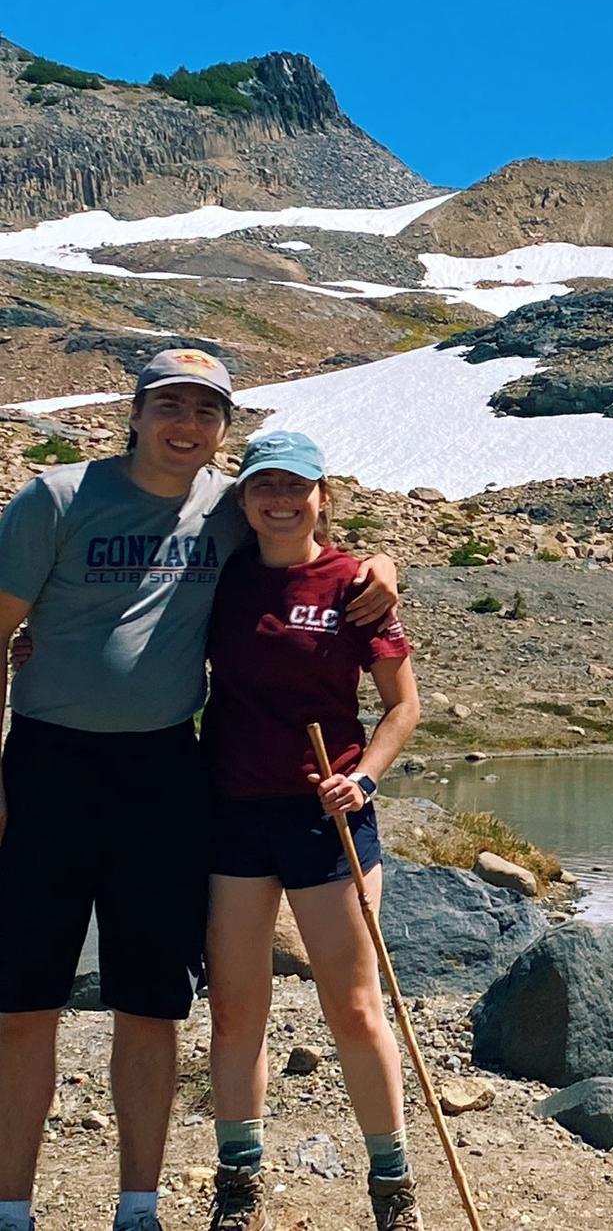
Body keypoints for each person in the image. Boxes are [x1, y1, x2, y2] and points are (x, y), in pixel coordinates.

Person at [0, 350, 398, 1231]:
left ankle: (138, 1207)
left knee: (149, 999)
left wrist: (384, 564)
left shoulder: (224, 505)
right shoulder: (55, 498)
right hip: (48, 768)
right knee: (25, 1000)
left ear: (223, 430)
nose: (187, 425)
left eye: (207, 412)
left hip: (166, 774)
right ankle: (11, 1209)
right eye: (170, 406)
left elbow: (305, 538)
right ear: (134, 413)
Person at [200, 431, 422, 1231]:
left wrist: (363, 780)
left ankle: (392, 1185)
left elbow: (404, 706)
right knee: (235, 1008)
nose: (281, 499)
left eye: (297, 485)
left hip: (327, 819)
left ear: (323, 494)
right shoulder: (221, 575)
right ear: (245, 498)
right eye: (265, 485)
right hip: (231, 811)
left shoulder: (355, 587)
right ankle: (240, 1183)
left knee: (356, 1008)